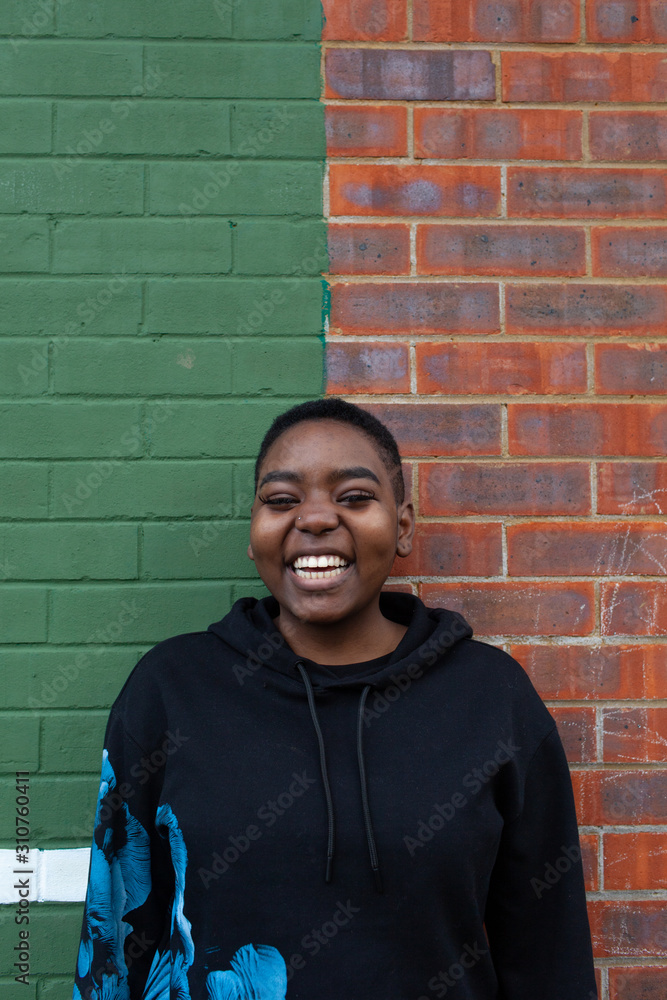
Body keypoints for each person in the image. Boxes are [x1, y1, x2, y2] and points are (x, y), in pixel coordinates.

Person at [72, 397, 598, 1000]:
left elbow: (548, 957)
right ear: (253, 532)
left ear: (403, 526)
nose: (317, 518)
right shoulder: (171, 689)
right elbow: (113, 946)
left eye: (354, 497)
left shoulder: (492, 698)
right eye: (281, 500)